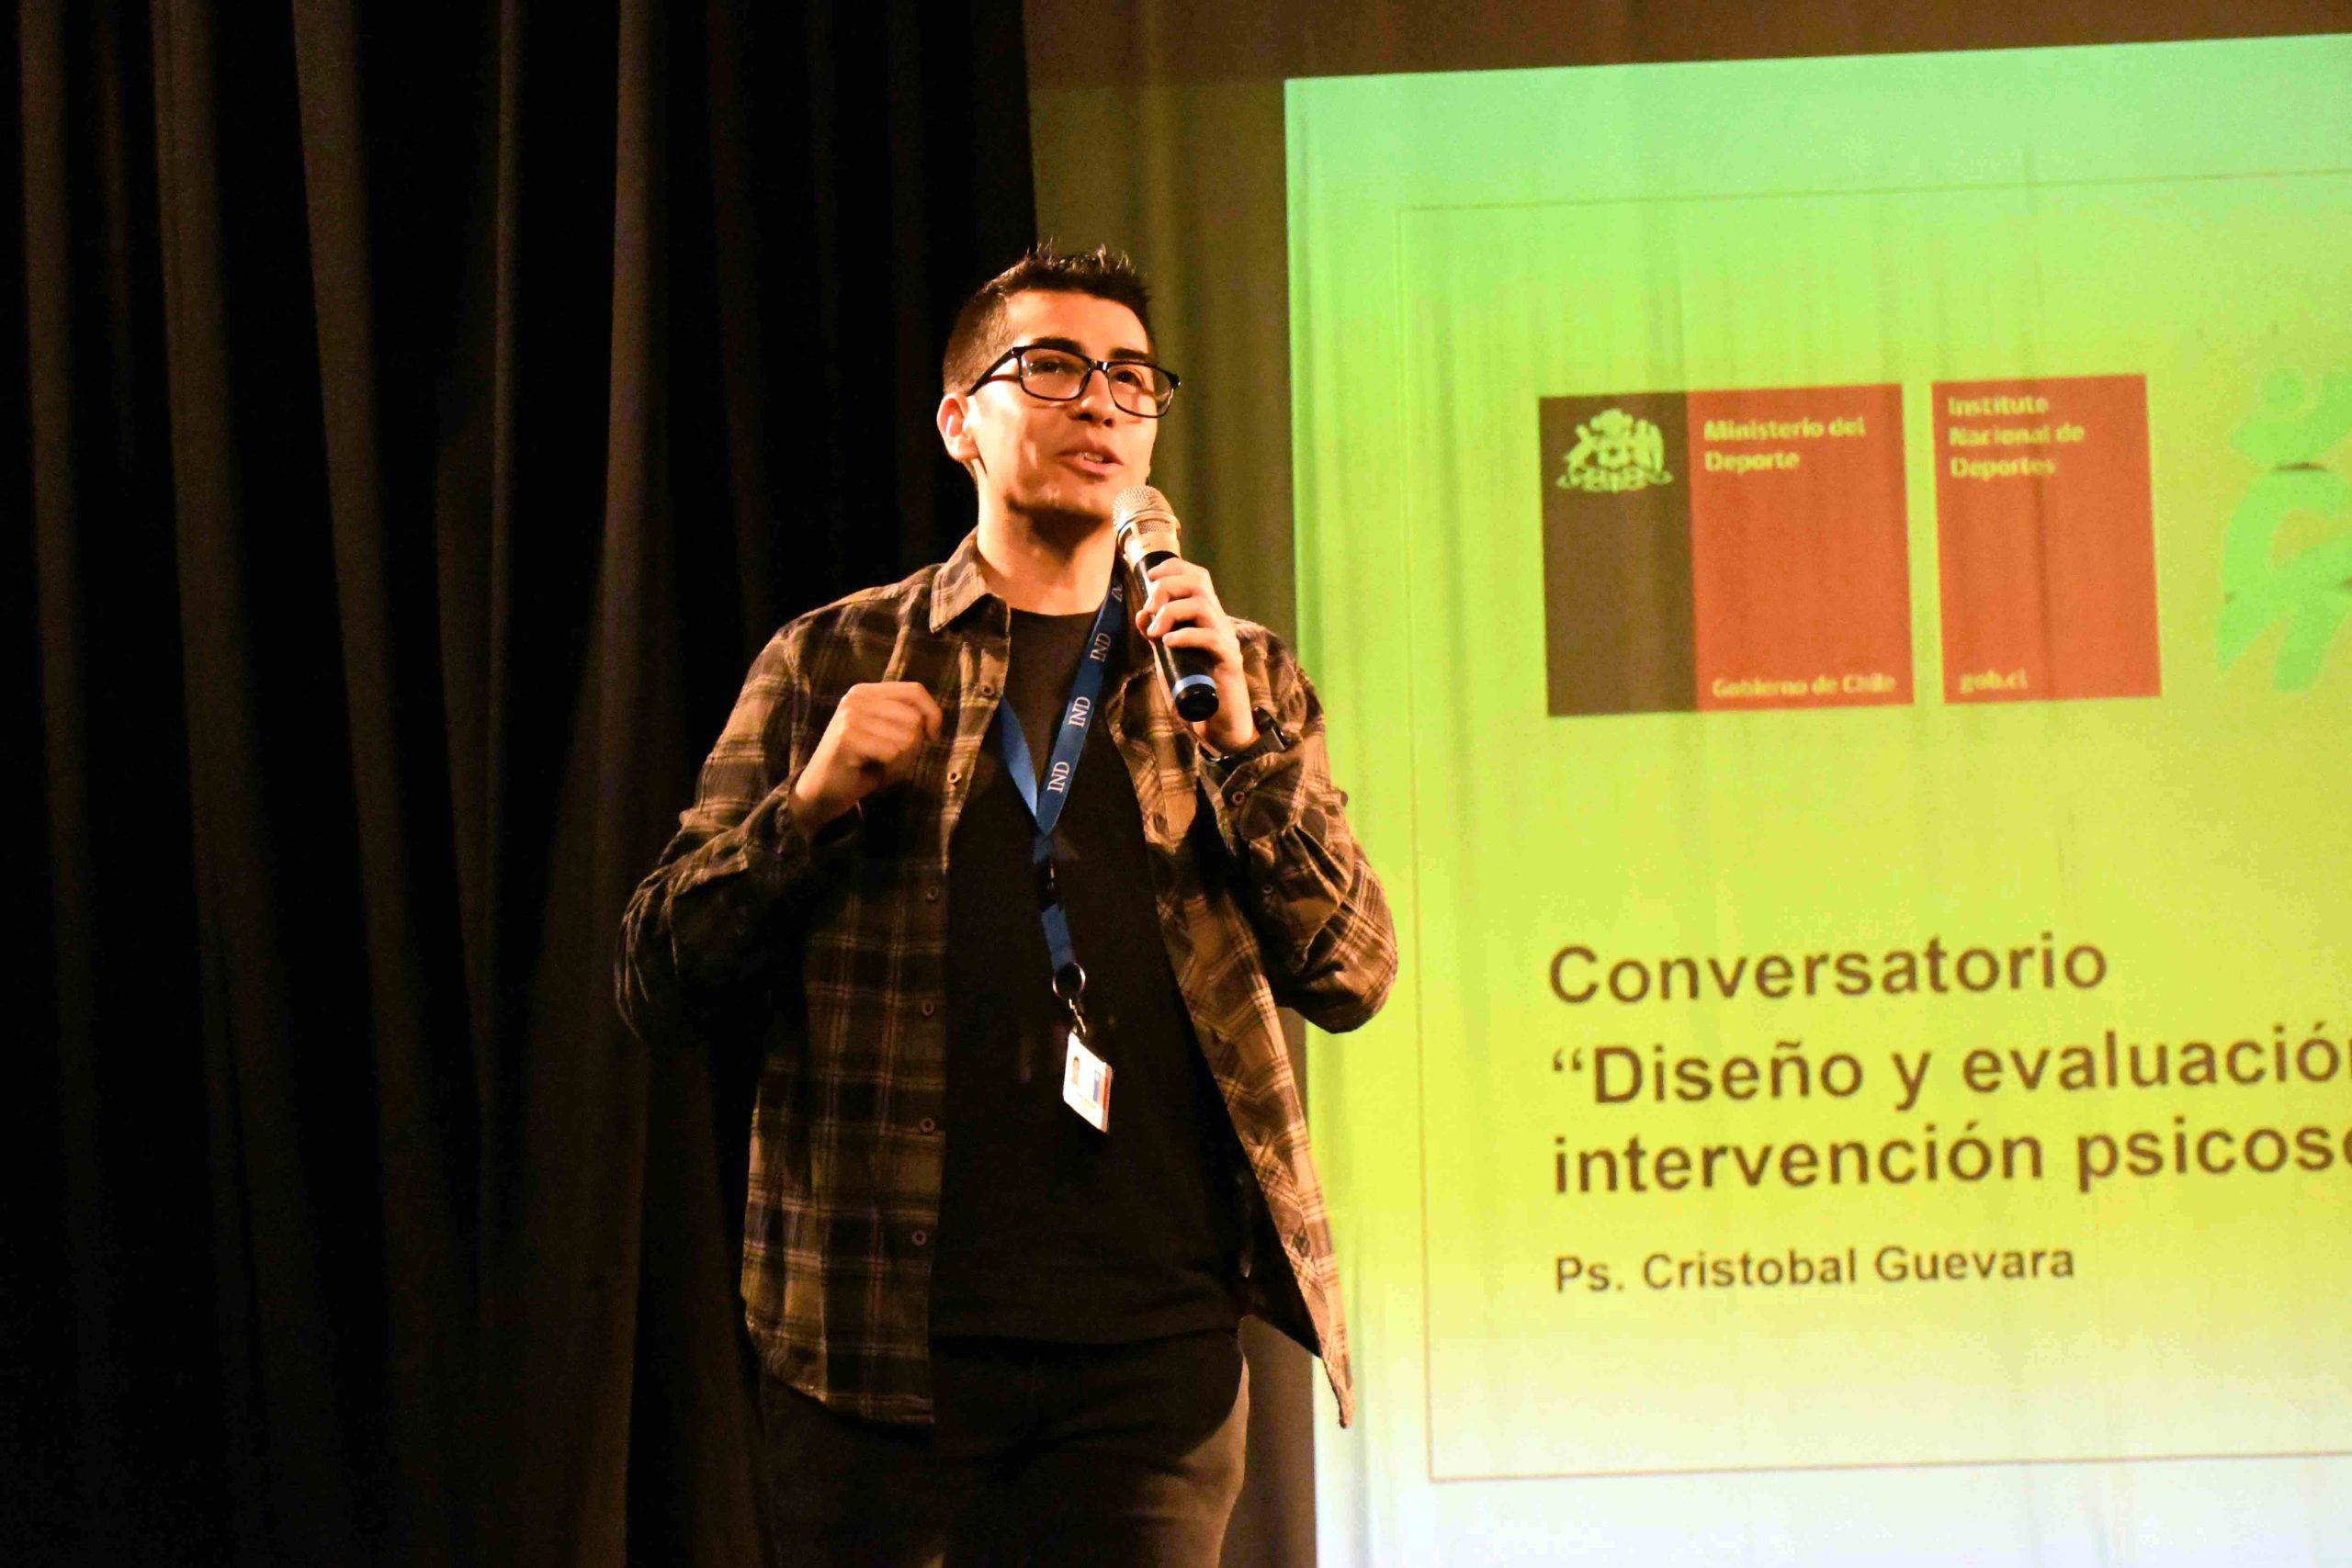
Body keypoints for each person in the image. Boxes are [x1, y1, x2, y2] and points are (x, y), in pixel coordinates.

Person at [616, 243, 1395, 1566]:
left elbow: (1352, 974)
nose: (1100, 402)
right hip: (880, 1354)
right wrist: (807, 808)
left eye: (1133, 378)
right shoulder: (833, 659)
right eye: (1052, 368)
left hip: (1151, 1362)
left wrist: (1247, 753)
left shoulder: (1237, 675)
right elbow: (655, 975)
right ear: (958, 423)